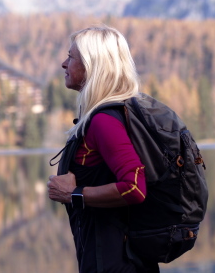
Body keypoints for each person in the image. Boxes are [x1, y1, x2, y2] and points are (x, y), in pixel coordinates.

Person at [47, 26, 157, 272]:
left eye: (71, 57)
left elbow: (134, 187)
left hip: (114, 264)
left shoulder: (104, 121)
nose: (64, 64)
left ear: (91, 66)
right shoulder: (116, 114)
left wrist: (74, 194)